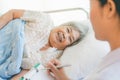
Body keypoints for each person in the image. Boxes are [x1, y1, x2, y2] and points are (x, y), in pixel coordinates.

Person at [0, 9, 88, 79]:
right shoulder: (44, 19)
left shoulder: (51, 59)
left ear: (66, 47)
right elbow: (12, 13)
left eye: (70, 39)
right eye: (68, 30)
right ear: (62, 25)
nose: (65, 35)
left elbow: (26, 71)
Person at [46, 0, 120, 80]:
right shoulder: (112, 60)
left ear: (109, 8)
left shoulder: (110, 72)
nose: (89, 18)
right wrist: (63, 77)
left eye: (91, 7)